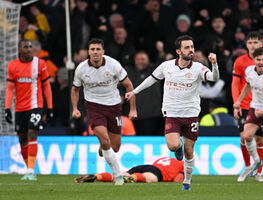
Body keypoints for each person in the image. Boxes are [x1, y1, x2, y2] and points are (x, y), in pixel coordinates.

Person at [125, 35, 220, 191]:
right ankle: (179, 147)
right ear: (178, 51)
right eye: (187, 47)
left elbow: (213, 77)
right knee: (173, 145)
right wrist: (134, 91)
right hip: (172, 113)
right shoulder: (166, 66)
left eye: (192, 47)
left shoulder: (198, 67)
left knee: (190, 152)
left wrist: (214, 64)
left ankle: (187, 182)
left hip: (191, 115)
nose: (191, 50)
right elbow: (151, 79)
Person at [71, 38, 137, 186]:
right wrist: (75, 108)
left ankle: (103, 146)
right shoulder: (81, 69)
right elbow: (75, 89)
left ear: (103, 52)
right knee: (105, 140)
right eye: (92, 49)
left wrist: (133, 108)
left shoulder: (113, 65)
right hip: (93, 107)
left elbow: (128, 85)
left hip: (114, 107)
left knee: (115, 146)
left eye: (98, 49)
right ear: (88, 52)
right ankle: (118, 175)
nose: (95, 52)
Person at [5, 40, 53, 181]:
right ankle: (28, 169)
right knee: (22, 138)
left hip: (35, 105)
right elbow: (9, 88)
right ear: (19, 49)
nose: (29, 49)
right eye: (25, 47)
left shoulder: (40, 64)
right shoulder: (12, 65)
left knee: (32, 133)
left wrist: (49, 107)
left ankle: (31, 170)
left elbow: (46, 86)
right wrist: (7, 108)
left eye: (30, 47)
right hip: (19, 107)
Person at [231, 31, 263, 182]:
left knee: (260, 141)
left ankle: (259, 173)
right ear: (246, 44)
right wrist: (236, 104)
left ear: (261, 44)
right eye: (250, 43)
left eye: (255, 43)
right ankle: (248, 166)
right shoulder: (240, 61)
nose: (252, 46)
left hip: (262, 106)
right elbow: (235, 84)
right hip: (244, 106)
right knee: (244, 137)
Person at [74, 157, 184, 183]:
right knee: (148, 178)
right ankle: (131, 178)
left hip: (145, 165)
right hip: (157, 171)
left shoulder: (165, 159)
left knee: (118, 177)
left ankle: (97, 176)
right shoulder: (183, 164)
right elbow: (178, 179)